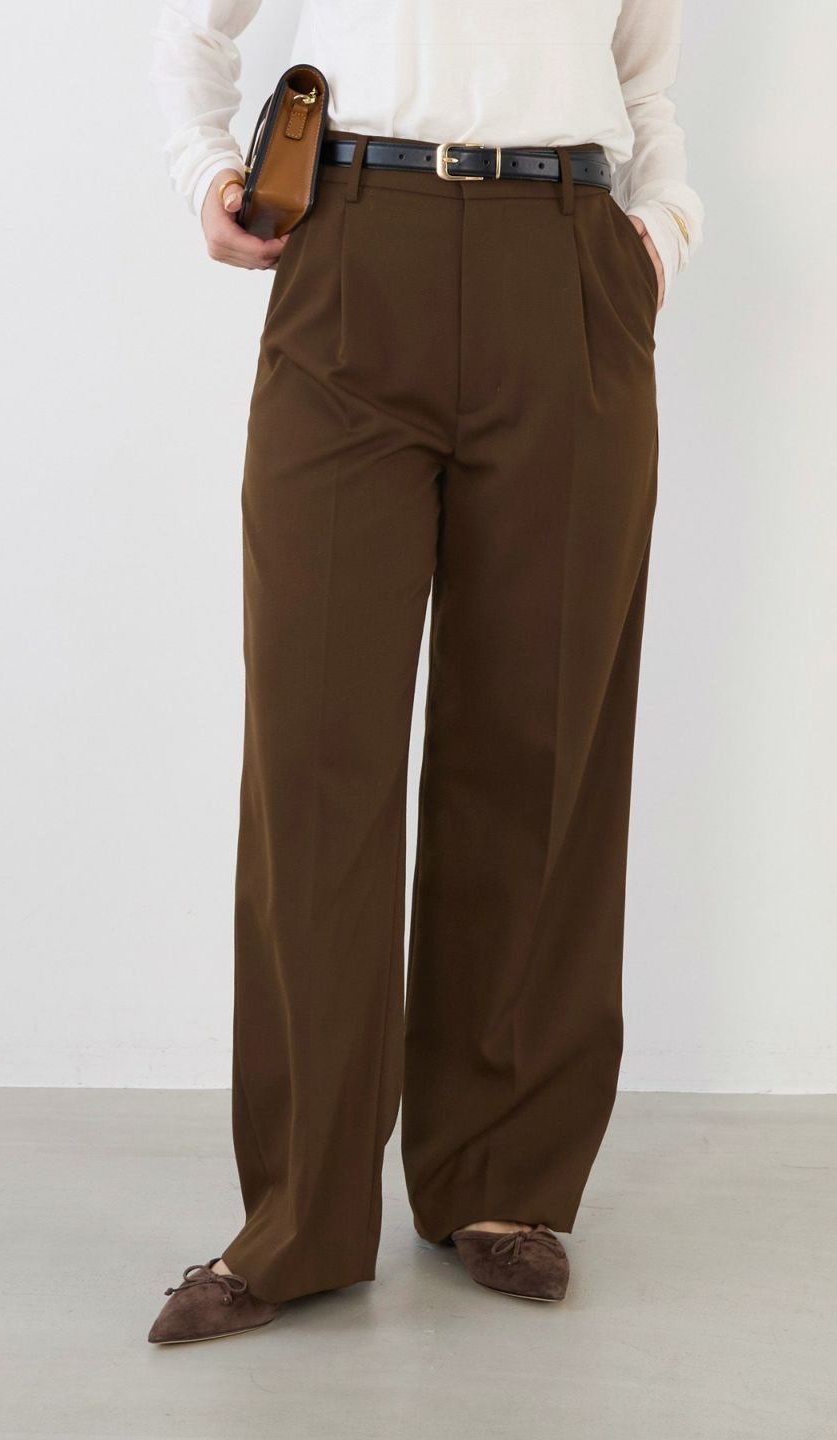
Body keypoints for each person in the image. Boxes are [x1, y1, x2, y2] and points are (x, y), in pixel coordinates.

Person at [147, 0, 703, 1343]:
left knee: (537, 740)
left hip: (568, 257)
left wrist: (661, 233)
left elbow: (645, 78)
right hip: (353, 244)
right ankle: (301, 1216)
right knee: (315, 752)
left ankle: (501, 1181)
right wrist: (204, 166)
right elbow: (193, 26)